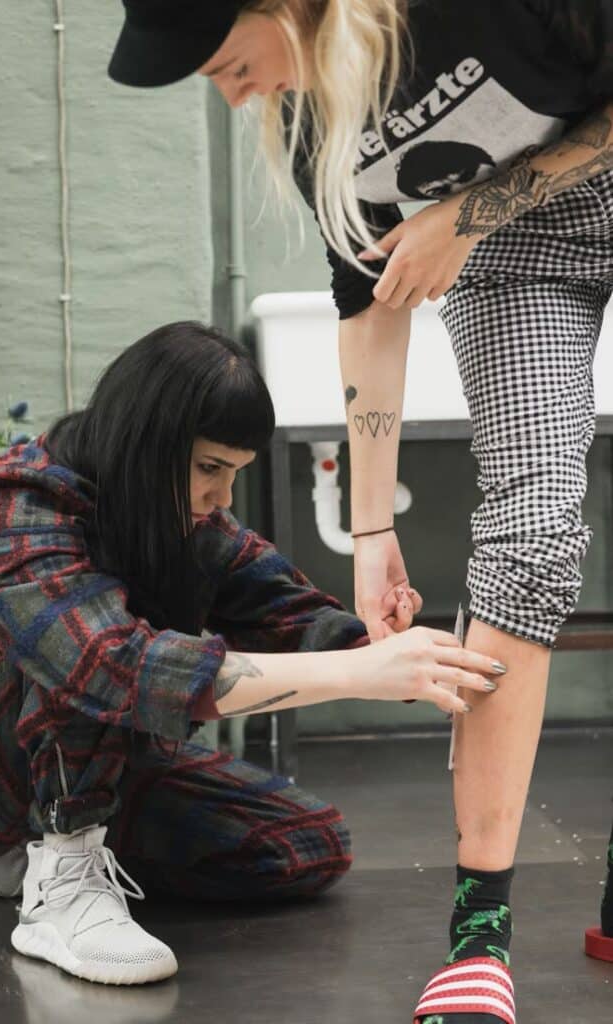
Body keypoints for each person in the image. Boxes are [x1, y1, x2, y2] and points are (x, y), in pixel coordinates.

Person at [107, 0, 613, 1017]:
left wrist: (462, 212)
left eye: (220, 60)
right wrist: (371, 531)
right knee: (526, 541)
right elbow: (371, 302)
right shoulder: (312, 130)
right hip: (517, 268)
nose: (228, 90)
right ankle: (479, 937)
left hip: (497, 224)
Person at [0, 322, 502, 986]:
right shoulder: (7, 505)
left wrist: (383, 645)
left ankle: (12, 860)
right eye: (208, 469)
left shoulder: (181, 519)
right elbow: (111, 665)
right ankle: (61, 877)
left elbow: (285, 611)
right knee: (83, 648)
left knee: (300, 846)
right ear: (146, 443)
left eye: (234, 475)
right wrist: (354, 673)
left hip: (78, 751)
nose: (221, 498)